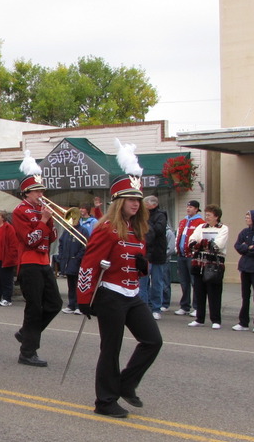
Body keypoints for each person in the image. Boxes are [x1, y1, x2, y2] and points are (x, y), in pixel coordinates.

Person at [77, 173, 162, 419]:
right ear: (118, 201)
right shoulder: (106, 228)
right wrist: (84, 297)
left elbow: (134, 262)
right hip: (110, 295)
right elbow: (89, 263)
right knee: (111, 348)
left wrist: (141, 265)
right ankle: (105, 400)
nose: (136, 203)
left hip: (132, 293)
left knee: (152, 340)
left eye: (138, 198)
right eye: (130, 199)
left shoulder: (137, 229)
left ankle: (126, 383)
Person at [11, 153, 62, 367]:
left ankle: (26, 333)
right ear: (27, 193)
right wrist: (43, 220)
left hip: (43, 262)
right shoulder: (20, 212)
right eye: (38, 191)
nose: (42, 195)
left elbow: (51, 238)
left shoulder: (42, 211)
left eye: (42, 191)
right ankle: (27, 352)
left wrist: (48, 222)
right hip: (29, 263)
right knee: (34, 308)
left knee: (55, 304)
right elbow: (31, 240)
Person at [186, 204, 229, 329]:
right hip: (199, 263)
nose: (207, 217)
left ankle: (216, 319)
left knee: (214, 292)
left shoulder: (223, 228)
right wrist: (202, 244)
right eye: (206, 214)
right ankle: (199, 318)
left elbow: (217, 245)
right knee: (199, 292)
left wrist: (201, 244)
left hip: (214, 265)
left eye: (209, 215)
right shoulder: (201, 227)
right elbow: (192, 241)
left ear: (217, 216)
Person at [174, 200, 205, 316]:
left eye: (191, 207)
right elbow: (179, 235)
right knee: (184, 282)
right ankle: (184, 305)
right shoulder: (183, 221)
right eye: (187, 207)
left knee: (194, 282)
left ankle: (197, 307)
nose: (188, 209)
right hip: (181, 255)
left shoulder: (200, 222)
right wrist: (177, 249)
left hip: (192, 256)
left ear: (196, 209)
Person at [142, 195, 169, 320]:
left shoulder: (161, 215)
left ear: (152, 204)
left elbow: (158, 230)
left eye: (145, 204)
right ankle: (143, 307)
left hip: (157, 254)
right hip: (145, 254)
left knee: (157, 282)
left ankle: (156, 308)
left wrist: (146, 223)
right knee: (143, 283)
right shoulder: (141, 215)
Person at [56, 213, 88, 314]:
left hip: (77, 262)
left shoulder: (83, 230)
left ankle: (79, 305)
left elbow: (85, 245)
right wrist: (61, 256)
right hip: (68, 261)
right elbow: (61, 243)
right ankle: (71, 304)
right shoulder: (67, 231)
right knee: (71, 284)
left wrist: (78, 257)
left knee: (78, 284)